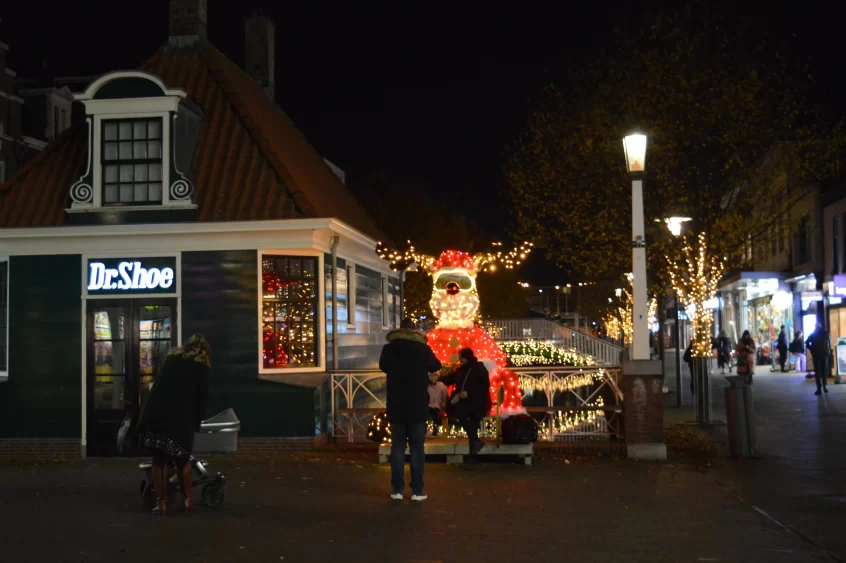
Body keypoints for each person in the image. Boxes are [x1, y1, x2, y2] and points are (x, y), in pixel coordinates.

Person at [136, 334, 210, 515]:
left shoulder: (171, 360)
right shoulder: (202, 367)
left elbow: (158, 389)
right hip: (181, 422)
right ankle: (187, 501)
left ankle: (161, 503)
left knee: (159, 460)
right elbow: (201, 399)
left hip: (158, 418)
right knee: (183, 460)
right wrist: (196, 423)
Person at [379, 318, 442, 502]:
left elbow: (383, 366)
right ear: (414, 331)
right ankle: (417, 491)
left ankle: (397, 490)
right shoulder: (422, 348)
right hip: (417, 405)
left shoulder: (389, 348)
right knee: (417, 447)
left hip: (396, 404)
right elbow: (436, 365)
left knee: (397, 447)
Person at [440, 348, 492, 459]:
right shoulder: (462, 370)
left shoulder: (479, 368)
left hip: (477, 402)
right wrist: (436, 378)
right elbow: (450, 379)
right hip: (464, 402)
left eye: (461, 358)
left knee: (470, 422)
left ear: (466, 358)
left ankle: (472, 455)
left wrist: (469, 394)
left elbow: (484, 386)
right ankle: (475, 446)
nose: (459, 360)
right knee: (463, 416)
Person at [806, 322, 831, 395]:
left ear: (815, 327)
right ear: (821, 326)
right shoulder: (825, 333)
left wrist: (812, 349)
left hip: (816, 355)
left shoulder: (813, 334)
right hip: (824, 355)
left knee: (817, 372)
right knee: (824, 371)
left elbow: (807, 343)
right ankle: (825, 387)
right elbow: (829, 343)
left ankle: (819, 389)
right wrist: (828, 352)